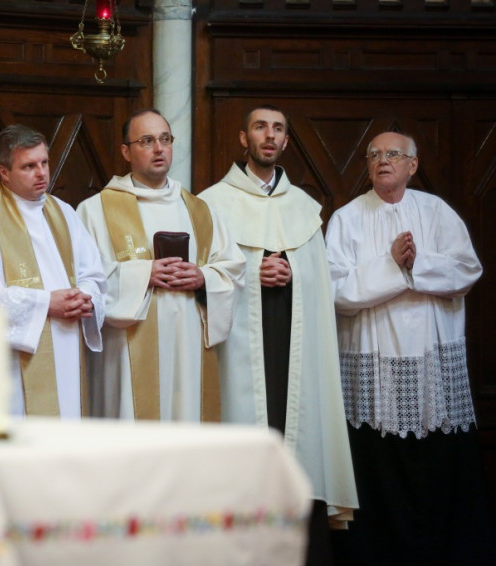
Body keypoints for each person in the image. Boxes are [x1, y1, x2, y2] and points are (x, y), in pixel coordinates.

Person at [197, 104, 358, 564]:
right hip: (238, 352)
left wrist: (292, 273)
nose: (269, 136)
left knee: (299, 438)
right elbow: (202, 278)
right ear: (243, 138)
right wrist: (253, 272)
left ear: (286, 141)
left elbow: (322, 285)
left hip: (295, 348)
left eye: (278, 129)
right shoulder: (211, 204)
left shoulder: (304, 209)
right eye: (260, 127)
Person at [325, 131, 493, 565]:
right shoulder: (346, 218)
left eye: (394, 154)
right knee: (377, 471)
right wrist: (390, 265)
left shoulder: (437, 212)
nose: (383, 160)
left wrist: (419, 263)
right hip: (374, 371)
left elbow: (467, 270)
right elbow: (333, 290)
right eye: (375, 154)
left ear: (412, 166)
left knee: (436, 475)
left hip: (430, 367)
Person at [77, 108, 245, 422]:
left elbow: (233, 270)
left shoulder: (200, 210)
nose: (159, 149)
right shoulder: (95, 210)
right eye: (147, 141)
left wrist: (203, 278)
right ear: (126, 151)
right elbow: (85, 281)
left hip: (189, 347)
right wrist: (144, 274)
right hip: (126, 350)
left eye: (165, 139)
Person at [0, 124, 106, 419]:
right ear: (4, 172)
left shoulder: (63, 212)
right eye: (29, 166)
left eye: (44, 163)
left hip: (68, 347)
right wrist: (46, 303)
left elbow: (93, 273)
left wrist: (85, 297)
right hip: (15, 360)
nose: (41, 173)